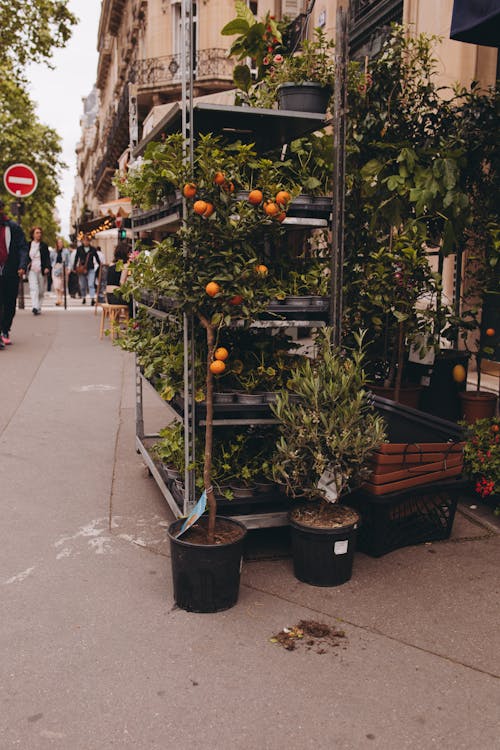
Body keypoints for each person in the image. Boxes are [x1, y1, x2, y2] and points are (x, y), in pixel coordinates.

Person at [0, 199, 28, 348]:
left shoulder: (13, 227)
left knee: (10, 303)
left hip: (11, 271)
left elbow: (23, 247)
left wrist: (22, 265)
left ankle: (5, 330)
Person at [28, 226, 51, 315]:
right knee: (34, 289)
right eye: (37, 233)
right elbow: (26, 256)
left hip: (41, 270)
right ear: (33, 234)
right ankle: (35, 307)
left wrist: (47, 267)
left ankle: (39, 306)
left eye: (40, 233)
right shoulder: (28, 245)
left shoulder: (44, 245)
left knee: (41, 291)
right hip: (32, 270)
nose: (39, 234)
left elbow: (47, 258)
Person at [73, 233, 100, 305]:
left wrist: (100, 266)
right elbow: (76, 258)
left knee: (91, 284)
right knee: (82, 285)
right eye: (84, 241)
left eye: (87, 240)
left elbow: (97, 258)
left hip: (90, 268)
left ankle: (92, 299)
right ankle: (84, 297)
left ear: (89, 241)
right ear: (82, 241)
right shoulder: (79, 249)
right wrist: (74, 267)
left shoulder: (93, 249)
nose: (86, 242)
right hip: (81, 269)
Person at [51, 238, 70, 306]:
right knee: (56, 285)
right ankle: (58, 299)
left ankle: (60, 300)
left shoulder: (66, 251)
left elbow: (69, 260)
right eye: (59, 242)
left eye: (61, 242)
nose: (60, 244)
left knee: (62, 286)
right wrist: (53, 265)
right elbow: (51, 260)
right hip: (55, 269)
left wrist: (68, 268)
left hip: (63, 268)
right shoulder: (53, 251)